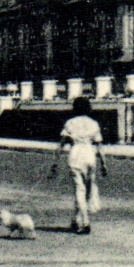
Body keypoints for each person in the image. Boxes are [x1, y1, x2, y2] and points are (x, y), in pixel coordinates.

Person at [52, 96, 107, 235]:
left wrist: (55, 163)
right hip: (90, 155)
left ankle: (85, 222)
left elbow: (61, 144)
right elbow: (99, 146)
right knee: (86, 190)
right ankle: (75, 220)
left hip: (76, 155)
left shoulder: (70, 122)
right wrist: (104, 164)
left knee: (79, 189)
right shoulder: (94, 123)